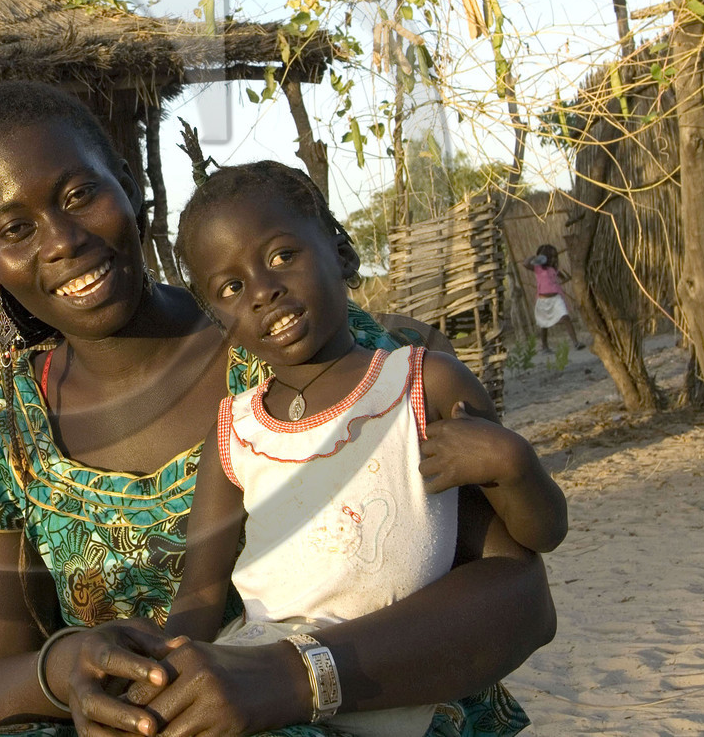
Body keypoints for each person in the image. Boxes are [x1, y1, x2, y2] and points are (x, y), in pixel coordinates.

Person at [0, 81, 555, 737]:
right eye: (17, 229)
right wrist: (68, 668)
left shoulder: (293, 343)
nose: (62, 240)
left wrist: (294, 677)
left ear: (130, 186)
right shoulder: (4, 429)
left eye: (81, 195)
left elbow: (520, 598)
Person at [165, 161, 567, 737]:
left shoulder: (423, 386)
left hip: (388, 666)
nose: (263, 291)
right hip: (261, 664)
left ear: (342, 254)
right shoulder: (235, 432)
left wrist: (514, 464)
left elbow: (537, 539)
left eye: (281, 256)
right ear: (219, 319)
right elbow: (201, 590)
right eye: (231, 288)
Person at [524, 245, 582, 354]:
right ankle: (545, 346)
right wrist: (535, 257)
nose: (554, 259)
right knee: (543, 324)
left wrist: (564, 278)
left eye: (554, 257)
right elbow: (525, 263)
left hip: (556, 298)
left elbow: (561, 277)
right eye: (551, 257)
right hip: (543, 300)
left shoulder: (553, 269)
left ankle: (576, 342)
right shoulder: (538, 268)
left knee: (565, 317)